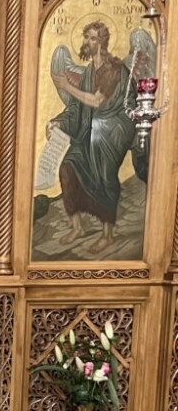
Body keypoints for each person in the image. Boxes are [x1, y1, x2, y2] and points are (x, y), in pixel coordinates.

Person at [47, 21, 137, 254]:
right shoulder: (88, 72)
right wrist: (59, 122)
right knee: (67, 167)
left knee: (104, 175)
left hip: (112, 130)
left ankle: (107, 233)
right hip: (91, 130)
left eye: (92, 38)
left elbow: (97, 101)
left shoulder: (114, 69)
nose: (87, 42)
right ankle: (77, 227)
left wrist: (66, 85)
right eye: (86, 37)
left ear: (102, 42)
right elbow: (78, 107)